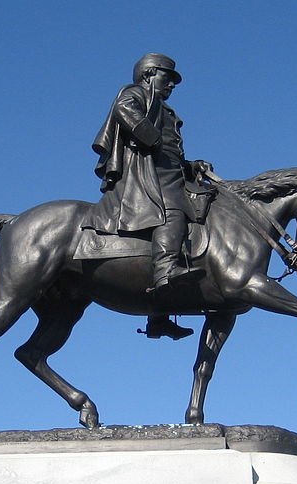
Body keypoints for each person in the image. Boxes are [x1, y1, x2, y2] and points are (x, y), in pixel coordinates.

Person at [83, 53, 214, 340]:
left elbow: (172, 153)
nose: (172, 85)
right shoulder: (135, 93)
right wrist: (150, 137)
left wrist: (192, 165)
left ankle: (159, 317)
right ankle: (165, 271)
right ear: (148, 74)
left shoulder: (165, 109)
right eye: (167, 78)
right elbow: (124, 110)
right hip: (147, 173)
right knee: (173, 207)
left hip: (168, 170)